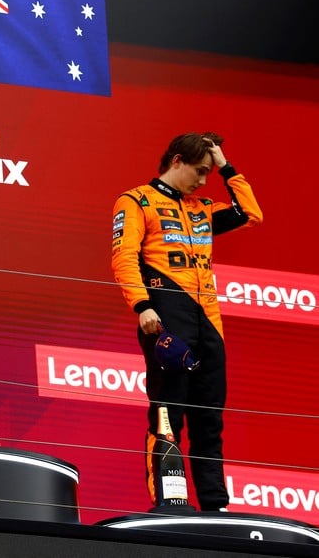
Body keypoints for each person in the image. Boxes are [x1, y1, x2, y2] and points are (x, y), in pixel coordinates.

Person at [111, 132, 262, 511]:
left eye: (210, 172)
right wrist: (141, 305)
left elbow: (251, 214)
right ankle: (169, 500)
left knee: (209, 419)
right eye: (200, 171)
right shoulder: (137, 201)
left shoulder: (203, 209)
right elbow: (124, 256)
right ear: (176, 161)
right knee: (168, 411)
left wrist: (227, 168)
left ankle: (216, 505)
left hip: (209, 323)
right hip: (165, 317)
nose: (204, 180)